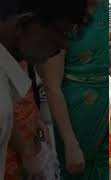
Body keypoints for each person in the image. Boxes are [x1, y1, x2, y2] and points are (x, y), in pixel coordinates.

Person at [0, 0, 86, 178]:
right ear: (24, 23)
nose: (65, 45)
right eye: (62, 33)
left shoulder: (10, 70)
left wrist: (28, 150)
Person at [40, 1, 108, 179]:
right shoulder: (62, 12)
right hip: (77, 109)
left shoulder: (106, 8)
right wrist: (70, 143)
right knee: (80, 169)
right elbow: (52, 85)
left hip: (106, 105)